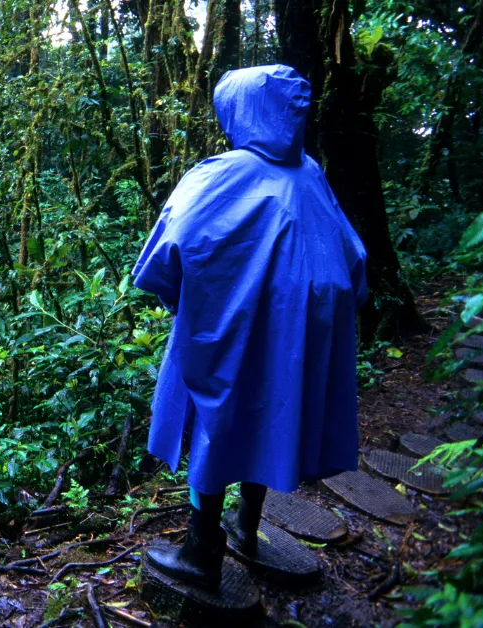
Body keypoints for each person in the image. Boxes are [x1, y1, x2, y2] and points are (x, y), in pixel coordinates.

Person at [132, 64, 368, 592]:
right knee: (269, 418)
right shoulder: (311, 175)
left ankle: (201, 551)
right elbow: (353, 257)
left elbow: (167, 252)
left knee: (218, 420)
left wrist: (190, 300)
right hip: (298, 336)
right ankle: (246, 525)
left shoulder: (219, 173)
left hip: (227, 329)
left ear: (239, 111)